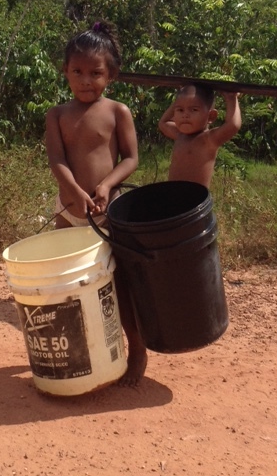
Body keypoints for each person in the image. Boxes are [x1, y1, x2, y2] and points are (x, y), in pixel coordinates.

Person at [45, 20, 147, 386]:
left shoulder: (118, 111)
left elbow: (131, 159)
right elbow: (57, 160)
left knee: (118, 284)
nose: (86, 80)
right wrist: (73, 191)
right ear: (65, 72)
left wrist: (105, 186)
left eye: (95, 72)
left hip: (108, 214)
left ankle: (136, 350)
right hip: (68, 212)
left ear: (112, 75)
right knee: (64, 285)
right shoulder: (57, 114)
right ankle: (79, 354)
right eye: (77, 71)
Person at [158, 84, 241, 188]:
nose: (185, 115)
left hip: (196, 199)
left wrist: (231, 98)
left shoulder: (208, 139)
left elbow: (233, 125)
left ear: (211, 116)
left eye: (194, 110)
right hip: (173, 195)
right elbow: (163, 123)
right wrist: (178, 100)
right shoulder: (180, 134)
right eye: (180, 110)